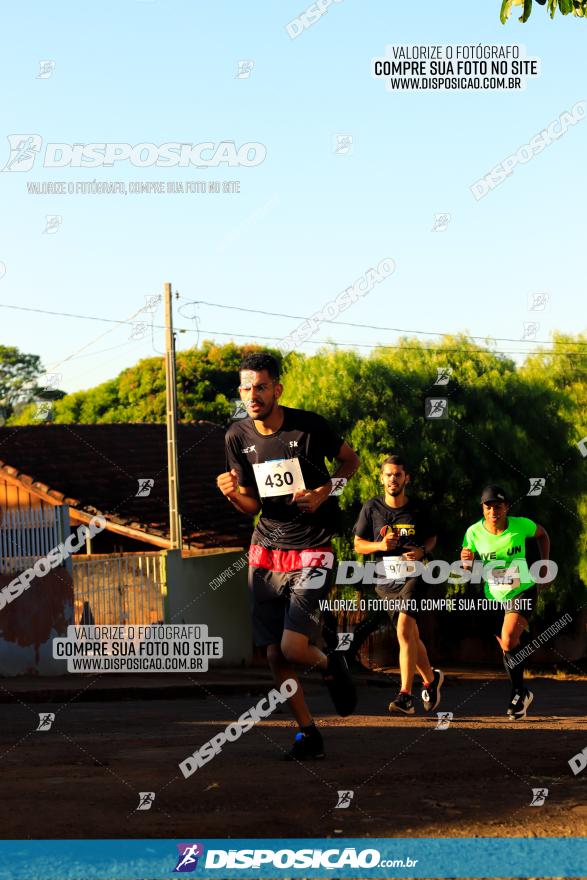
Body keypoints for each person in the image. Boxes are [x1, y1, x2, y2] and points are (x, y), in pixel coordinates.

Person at [216, 352, 360, 760]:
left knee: (295, 648)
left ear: (277, 389)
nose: (253, 394)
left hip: (312, 548)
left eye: (261, 386)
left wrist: (324, 491)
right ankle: (308, 733)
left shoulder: (310, 426)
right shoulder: (237, 437)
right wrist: (231, 494)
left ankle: (332, 663)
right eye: (246, 388)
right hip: (266, 552)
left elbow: (351, 461)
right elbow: (251, 505)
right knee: (275, 654)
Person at [353, 455, 443, 715]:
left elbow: (432, 538)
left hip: (416, 575)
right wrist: (380, 546)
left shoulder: (418, 509)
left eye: (398, 475)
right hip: (386, 580)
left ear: (407, 478)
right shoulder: (372, 508)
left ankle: (405, 695)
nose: (393, 479)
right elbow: (359, 544)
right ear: (382, 479)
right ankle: (431, 679)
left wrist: (422, 551)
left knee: (404, 628)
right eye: (389, 475)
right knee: (410, 636)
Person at [460, 485, 551, 720]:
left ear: (506, 507)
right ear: (482, 508)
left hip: (522, 590)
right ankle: (522, 692)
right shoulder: (473, 532)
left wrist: (544, 563)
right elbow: (467, 564)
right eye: (488, 507)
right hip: (494, 595)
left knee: (509, 638)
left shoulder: (521, 524)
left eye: (498, 506)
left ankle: (517, 693)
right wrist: (466, 561)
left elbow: (542, 534)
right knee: (506, 645)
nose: (493, 511)